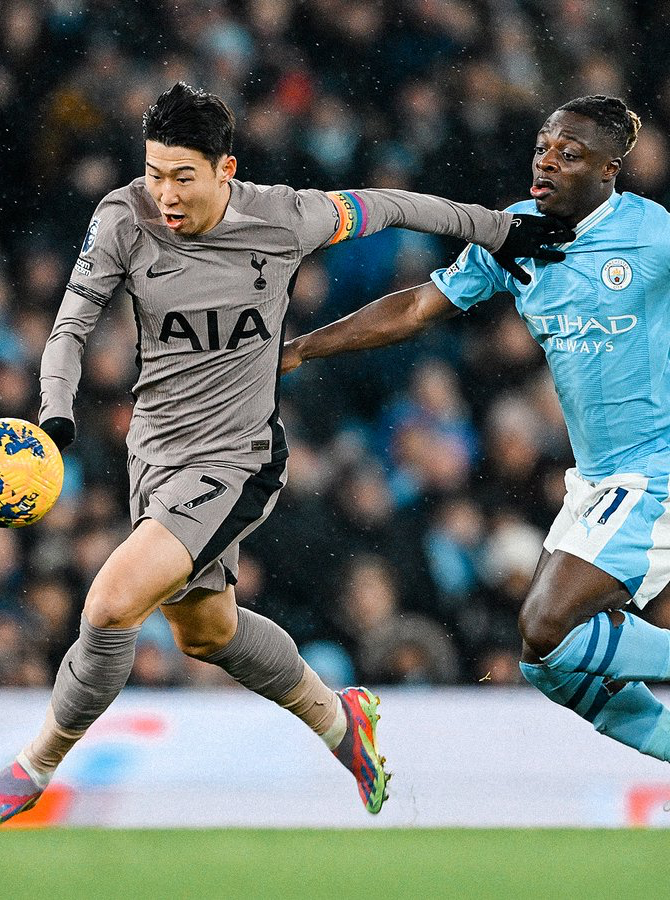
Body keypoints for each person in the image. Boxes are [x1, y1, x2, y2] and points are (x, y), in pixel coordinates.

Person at [0, 82, 571, 827]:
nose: (166, 194)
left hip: (238, 458)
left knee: (111, 603)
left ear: (226, 169)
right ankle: (342, 724)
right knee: (206, 631)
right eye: (155, 173)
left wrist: (500, 230)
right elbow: (69, 327)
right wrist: (54, 414)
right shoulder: (122, 216)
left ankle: (33, 767)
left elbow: (397, 204)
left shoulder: (286, 216)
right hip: (154, 455)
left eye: (184, 176)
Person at [282, 93, 670, 768]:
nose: (547, 162)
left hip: (657, 466)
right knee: (544, 664)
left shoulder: (651, 234)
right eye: (543, 148)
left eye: (569, 154)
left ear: (610, 170)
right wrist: (303, 348)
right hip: (599, 477)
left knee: (546, 624)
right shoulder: (516, 234)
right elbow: (415, 308)